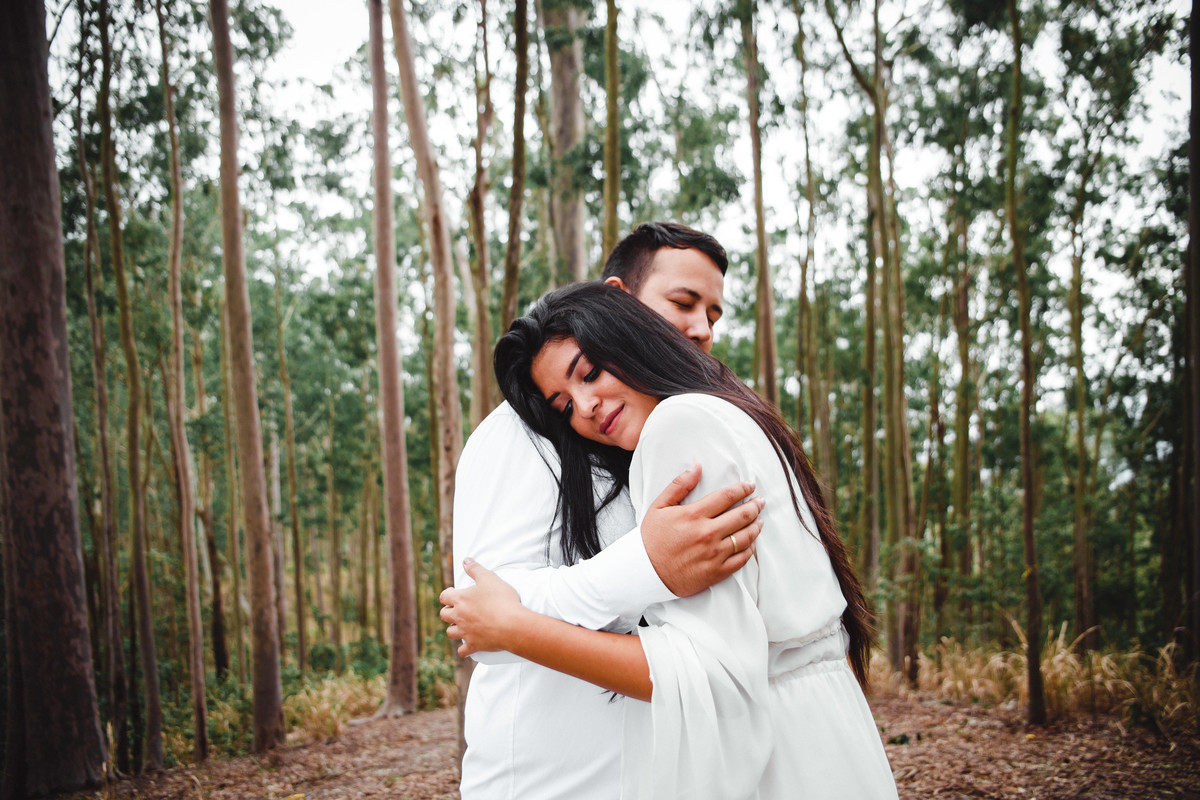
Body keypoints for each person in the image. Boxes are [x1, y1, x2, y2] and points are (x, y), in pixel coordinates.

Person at [442, 282, 898, 800]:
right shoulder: (730, 411)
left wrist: (517, 628)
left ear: (629, 334)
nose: (585, 407)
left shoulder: (677, 426)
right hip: (827, 730)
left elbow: (712, 676)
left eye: (589, 373)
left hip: (784, 755)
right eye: (563, 406)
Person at [452, 223, 765, 799]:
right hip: (551, 783)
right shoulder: (520, 433)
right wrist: (646, 564)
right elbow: (483, 611)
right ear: (618, 303)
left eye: (714, 314)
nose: (702, 329)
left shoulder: (676, 431)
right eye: (683, 303)